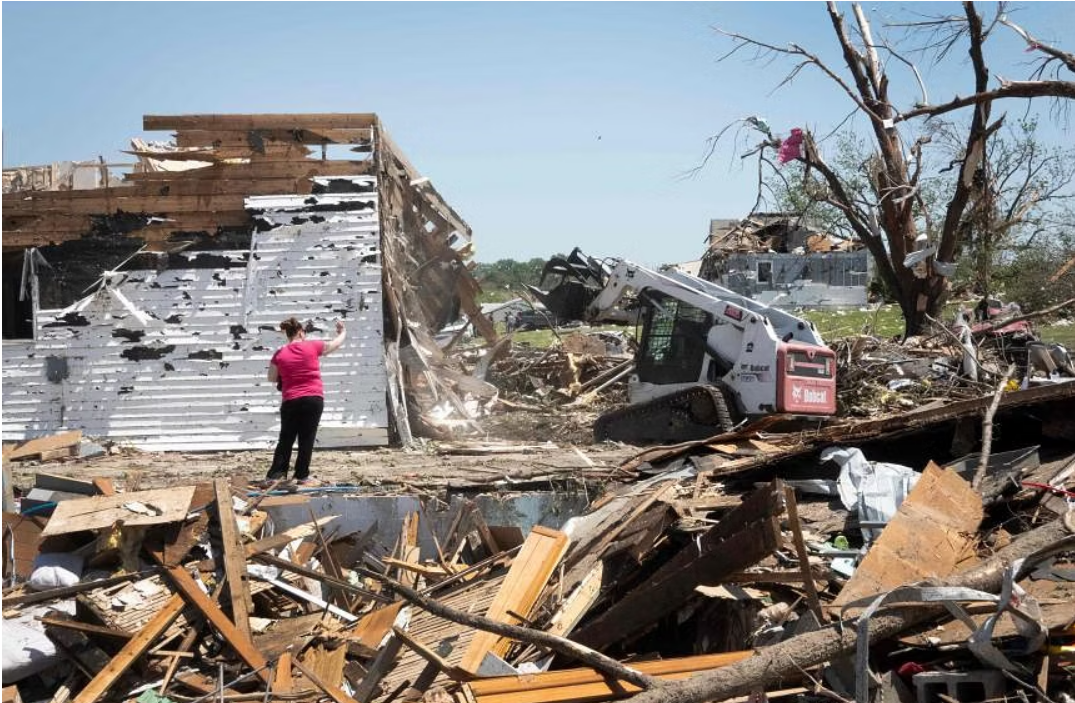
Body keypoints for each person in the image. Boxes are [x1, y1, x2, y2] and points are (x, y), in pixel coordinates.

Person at [266, 317, 346, 483]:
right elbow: (334, 345)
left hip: (291, 400)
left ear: (288, 335)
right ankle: (302, 475)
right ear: (301, 333)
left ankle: (276, 475)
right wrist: (342, 332)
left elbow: (271, 378)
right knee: (307, 437)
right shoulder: (313, 346)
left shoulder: (279, 354)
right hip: (313, 399)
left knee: (286, 437)